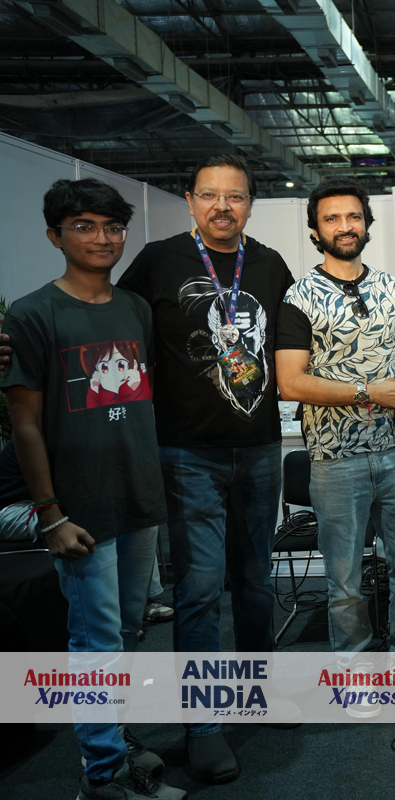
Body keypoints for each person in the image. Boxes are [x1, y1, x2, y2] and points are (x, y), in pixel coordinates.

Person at [1, 179, 183, 799]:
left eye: (111, 226)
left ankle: (113, 739)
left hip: (137, 497)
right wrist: (50, 514)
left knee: (127, 633)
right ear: (54, 236)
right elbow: (25, 423)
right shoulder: (32, 314)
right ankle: (103, 775)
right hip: (80, 509)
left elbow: (141, 395)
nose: (101, 238)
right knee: (94, 641)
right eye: (83, 225)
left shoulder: (134, 308)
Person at [116, 154, 294, 783]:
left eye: (235, 196)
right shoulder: (158, 261)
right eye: (210, 195)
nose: (223, 206)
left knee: (255, 580)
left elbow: (294, 346)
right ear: (190, 200)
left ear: (250, 204)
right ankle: (204, 724)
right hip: (187, 452)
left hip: (260, 447)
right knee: (197, 590)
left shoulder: (270, 264)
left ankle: (257, 691)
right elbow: (110, 323)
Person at [276, 178, 395, 713]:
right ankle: (352, 670)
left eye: (353, 216)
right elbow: (290, 382)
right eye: (332, 219)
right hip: (334, 460)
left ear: (367, 224)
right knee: (345, 579)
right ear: (316, 231)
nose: (344, 226)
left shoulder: (394, 290)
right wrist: (366, 391)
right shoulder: (298, 297)